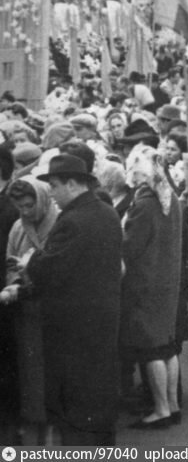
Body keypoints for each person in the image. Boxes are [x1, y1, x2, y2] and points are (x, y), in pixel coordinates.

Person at [25, 154, 123, 445]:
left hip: (72, 328)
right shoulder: (107, 212)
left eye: (54, 185)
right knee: (99, 401)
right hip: (103, 321)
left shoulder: (72, 221)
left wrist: (32, 259)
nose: (51, 194)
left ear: (71, 183)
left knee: (74, 406)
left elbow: (48, 270)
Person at [119, 145, 183, 429]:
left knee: (151, 349)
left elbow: (129, 247)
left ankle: (161, 410)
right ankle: (173, 405)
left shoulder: (144, 203)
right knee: (168, 347)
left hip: (144, 282)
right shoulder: (172, 198)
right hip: (167, 280)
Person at [2, 177, 58, 444]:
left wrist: (30, 271)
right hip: (24, 310)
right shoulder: (18, 227)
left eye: (29, 205)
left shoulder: (59, 224)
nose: (25, 212)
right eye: (20, 206)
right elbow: (10, 262)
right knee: (29, 373)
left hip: (50, 311)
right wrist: (14, 282)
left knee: (47, 373)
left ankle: (47, 432)